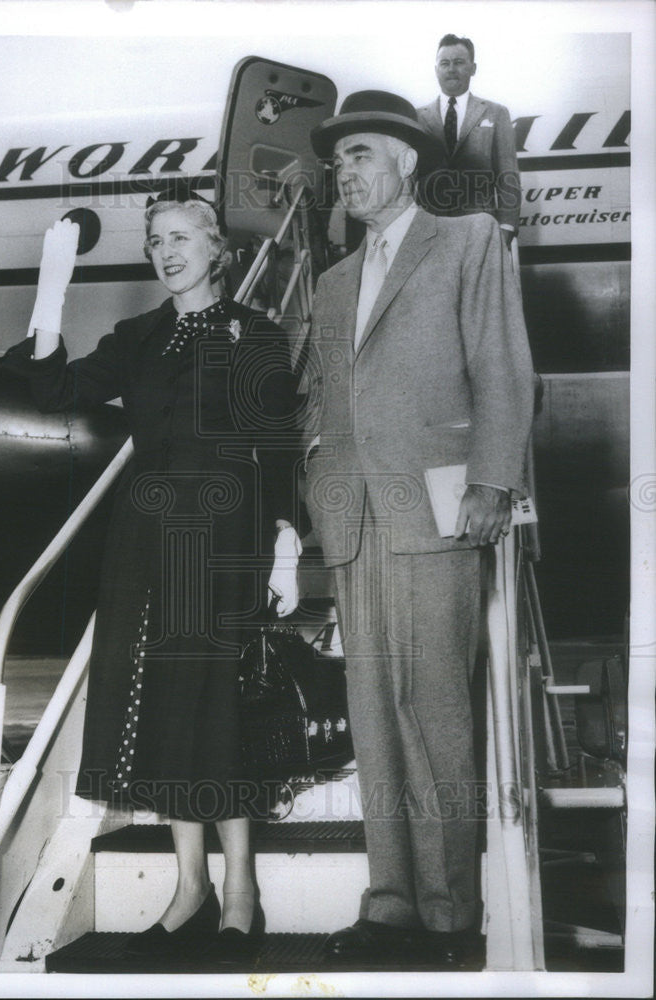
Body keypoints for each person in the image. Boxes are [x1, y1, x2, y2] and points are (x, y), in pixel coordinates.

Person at [4, 199, 302, 961]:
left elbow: (277, 445)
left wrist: (285, 542)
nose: (166, 252)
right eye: (155, 241)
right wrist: (51, 294)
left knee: (218, 708)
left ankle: (241, 893)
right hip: (145, 543)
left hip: (226, 534)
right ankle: (190, 889)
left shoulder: (256, 333)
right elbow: (56, 391)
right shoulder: (139, 338)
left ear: (217, 248)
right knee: (169, 708)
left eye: (181, 238)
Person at [304, 90, 534, 965]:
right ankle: (391, 901)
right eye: (338, 161)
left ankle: (449, 917)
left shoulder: (469, 238)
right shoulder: (330, 282)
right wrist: (315, 485)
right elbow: (322, 402)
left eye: (360, 154)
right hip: (356, 520)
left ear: (405, 161)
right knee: (372, 715)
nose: (345, 172)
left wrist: (491, 481)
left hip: (438, 509)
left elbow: (503, 366)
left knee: (433, 709)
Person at [417, 34, 521, 247]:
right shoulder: (417, 117)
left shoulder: (496, 113)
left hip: (480, 230)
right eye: (444, 63)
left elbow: (507, 176)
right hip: (429, 230)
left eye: (459, 62)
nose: (451, 69)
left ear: (473, 68)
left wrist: (507, 228)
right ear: (436, 69)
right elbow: (408, 180)